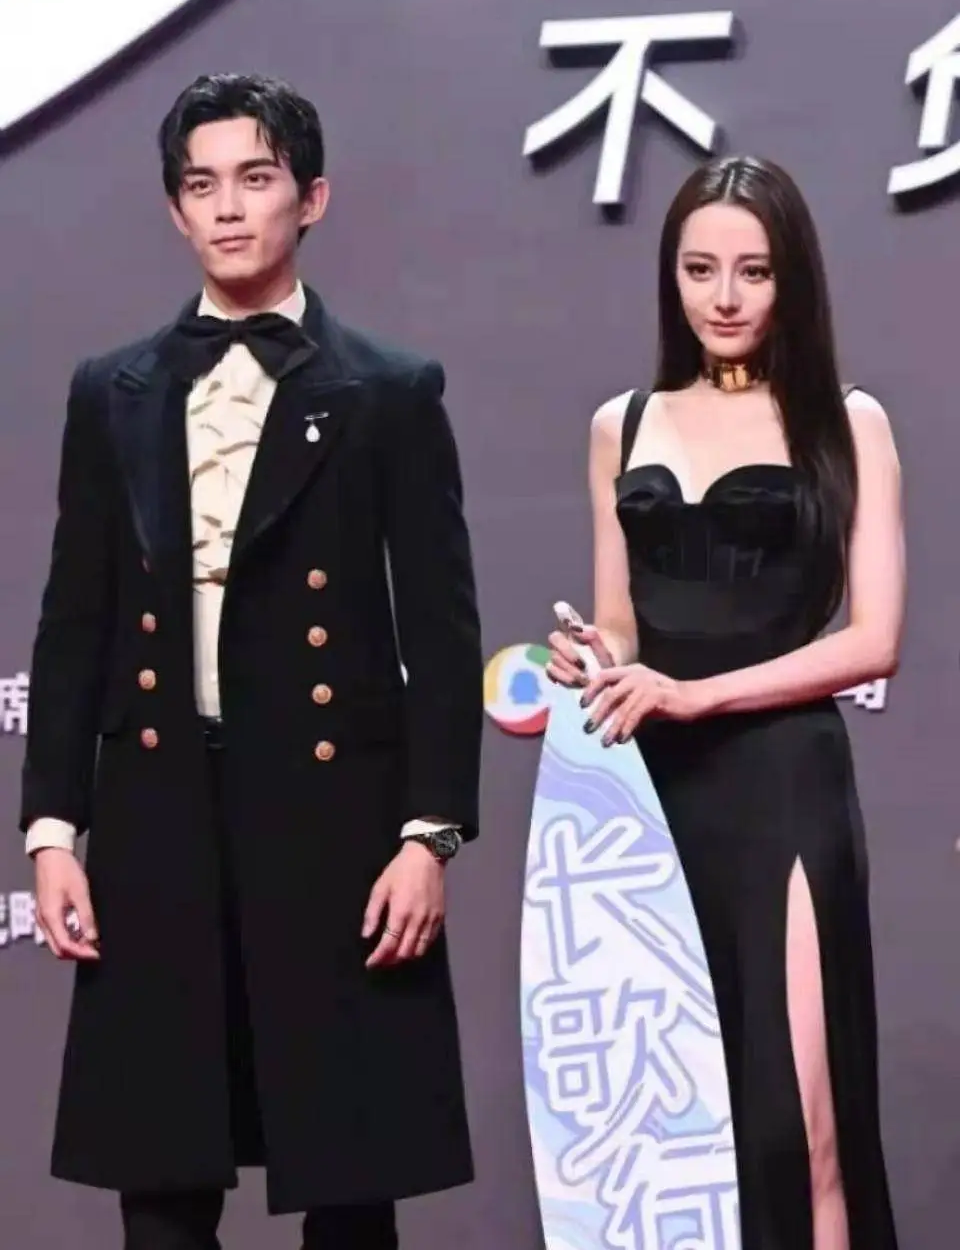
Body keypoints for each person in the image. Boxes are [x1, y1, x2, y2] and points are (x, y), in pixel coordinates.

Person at [21, 72, 483, 1250]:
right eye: (202, 185)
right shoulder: (112, 392)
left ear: (310, 198)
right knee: (161, 1184)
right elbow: (74, 620)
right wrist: (54, 830)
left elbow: (441, 633)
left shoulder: (388, 390)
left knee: (349, 1181)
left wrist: (429, 835)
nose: (229, 208)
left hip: (337, 821)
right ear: (175, 209)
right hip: (158, 814)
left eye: (256, 179)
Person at [547, 155, 902, 1250]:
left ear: (792, 278)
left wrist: (697, 697)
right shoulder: (621, 423)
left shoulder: (848, 421)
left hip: (785, 783)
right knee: (671, 1132)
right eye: (699, 269)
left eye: (754, 270)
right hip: (647, 804)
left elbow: (873, 640)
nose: (725, 296)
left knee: (799, 1126)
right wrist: (593, 656)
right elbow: (621, 620)